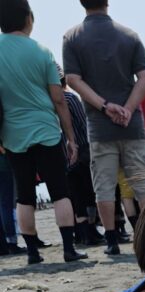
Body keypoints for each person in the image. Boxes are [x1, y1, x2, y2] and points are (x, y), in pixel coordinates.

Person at [63, 0, 145, 256]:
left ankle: (112, 240)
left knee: (103, 184)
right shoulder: (129, 35)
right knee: (143, 182)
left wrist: (105, 107)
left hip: (100, 125)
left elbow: (73, 79)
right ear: (107, 2)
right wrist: (128, 107)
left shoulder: (72, 37)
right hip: (131, 123)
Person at [0, 0, 87, 264]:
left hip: (13, 134)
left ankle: (32, 253)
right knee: (60, 191)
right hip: (46, 130)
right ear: (29, 18)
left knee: (24, 194)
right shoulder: (41, 51)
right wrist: (70, 137)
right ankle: (69, 249)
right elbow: (59, 99)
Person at [59, 67, 103, 246]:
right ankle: (91, 231)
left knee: (74, 196)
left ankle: (81, 233)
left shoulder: (48, 102)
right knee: (88, 193)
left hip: (62, 155)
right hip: (82, 151)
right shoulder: (70, 98)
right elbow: (83, 124)